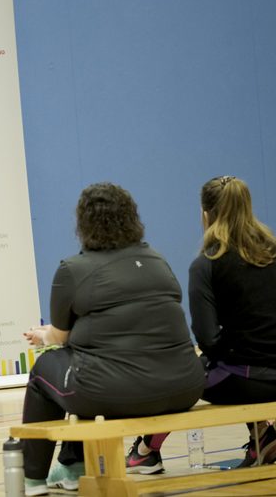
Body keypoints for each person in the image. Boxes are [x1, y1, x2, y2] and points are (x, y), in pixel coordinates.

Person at [21, 183, 205, 496]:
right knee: (92, 363)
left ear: (83, 222)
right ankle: (72, 464)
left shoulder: (72, 269)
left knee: (46, 369)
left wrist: (42, 336)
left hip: (112, 391)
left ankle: (33, 479)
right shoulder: (157, 260)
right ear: (132, 217)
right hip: (184, 387)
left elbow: (60, 337)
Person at [126, 176, 276, 470]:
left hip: (248, 381)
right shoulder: (273, 253)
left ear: (205, 215)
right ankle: (264, 438)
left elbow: (207, 338)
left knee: (185, 374)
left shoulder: (206, 264)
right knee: (224, 364)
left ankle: (146, 450)